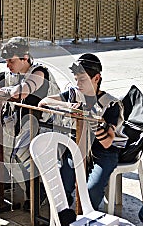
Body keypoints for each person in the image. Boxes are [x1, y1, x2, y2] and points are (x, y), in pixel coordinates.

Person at [0, 37, 60, 207]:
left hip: (45, 126)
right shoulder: (12, 74)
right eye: (6, 61)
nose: (7, 65)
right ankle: (5, 181)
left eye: (11, 61)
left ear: (25, 58)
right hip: (17, 124)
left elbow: (23, 91)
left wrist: (2, 90)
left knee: (20, 150)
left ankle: (37, 192)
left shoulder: (39, 72)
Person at [38, 53, 127, 209]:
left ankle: (88, 218)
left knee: (91, 191)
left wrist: (91, 119)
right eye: (77, 79)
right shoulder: (74, 95)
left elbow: (107, 142)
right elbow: (44, 102)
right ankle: (63, 216)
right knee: (62, 186)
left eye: (83, 79)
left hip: (103, 153)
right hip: (78, 147)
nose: (78, 83)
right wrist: (68, 106)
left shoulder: (110, 103)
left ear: (96, 78)